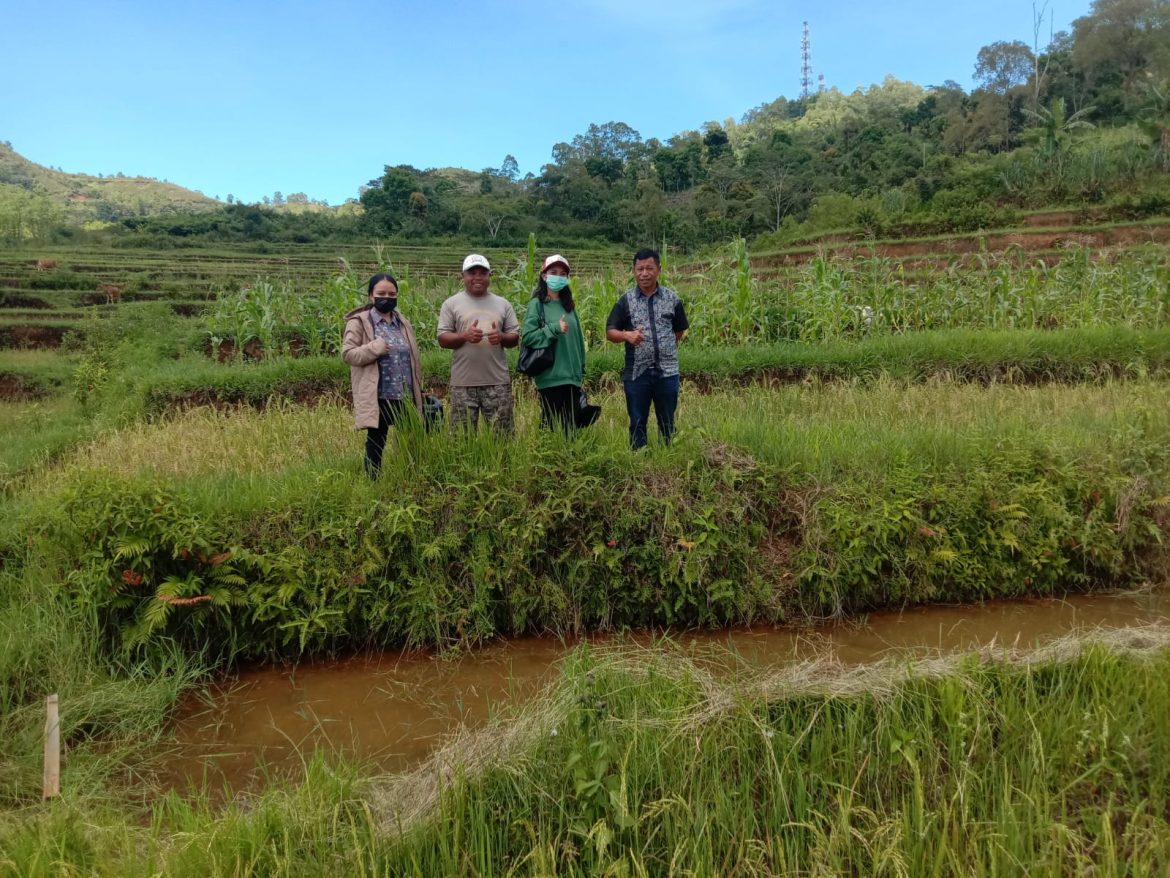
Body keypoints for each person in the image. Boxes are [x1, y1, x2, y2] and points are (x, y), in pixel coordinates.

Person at [342, 273, 425, 479]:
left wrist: (419, 389)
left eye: (392, 293)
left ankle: (408, 478)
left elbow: (413, 358)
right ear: (371, 295)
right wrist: (373, 348)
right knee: (376, 440)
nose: (386, 297)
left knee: (409, 439)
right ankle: (374, 483)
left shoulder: (402, 322)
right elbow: (348, 354)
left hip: (404, 394)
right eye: (381, 293)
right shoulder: (359, 322)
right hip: (379, 394)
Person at [605, 247, 689, 449]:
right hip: (637, 373)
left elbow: (679, 331)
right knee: (637, 422)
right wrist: (627, 335)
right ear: (634, 271)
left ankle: (668, 458)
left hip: (667, 371)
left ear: (659, 269)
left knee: (668, 423)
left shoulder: (672, 298)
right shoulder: (625, 300)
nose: (644, 273)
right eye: (640, 269)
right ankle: (639, 461)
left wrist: (663, 346)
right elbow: (610, 331)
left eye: (649, 268)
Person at [437, 254, 520, 434]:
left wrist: (501, 337)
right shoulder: (451, 304)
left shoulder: (503, 304)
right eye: (471, 273)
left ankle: (500, 463)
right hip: (463, 384)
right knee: (461, 438)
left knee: (502, 437)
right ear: (463, 276)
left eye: (482, 273)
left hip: (497, 382)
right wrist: (465, 336)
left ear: (490, 275)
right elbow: (442, 338)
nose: (477, 277)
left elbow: (515, 337)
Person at [521, 254, 589, 432]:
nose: (558, 276)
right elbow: (528, 337)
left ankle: (567, 458)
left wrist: (580, 367)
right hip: (551, 376)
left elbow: (578, 340)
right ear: (544, 276)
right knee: (550, 425)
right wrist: (553, 329)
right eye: (553, 272)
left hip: (572, 376)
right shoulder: (537, 304)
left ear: (567, 279)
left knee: (571, 427)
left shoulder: (569, 306)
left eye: (562, 273)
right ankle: (545, 458)